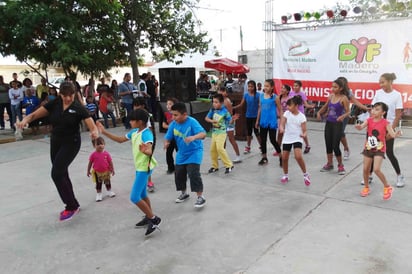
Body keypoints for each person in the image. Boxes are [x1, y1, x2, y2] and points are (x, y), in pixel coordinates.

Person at [16, 81, 99, 221]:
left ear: (74, 94)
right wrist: (25, 120)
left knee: (56, 173)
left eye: (70, 95)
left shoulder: (78, 107)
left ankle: (70, 206)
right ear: (60, 94)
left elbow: (92, 125)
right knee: (62, 173)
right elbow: (34, 115)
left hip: (71, 143)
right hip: (56, 142)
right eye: (65, 95)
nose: (68, 98)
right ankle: (74, 203)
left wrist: (94, 132)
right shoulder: (55, 104)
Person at [97, 109, 161, 236]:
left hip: (144, 168)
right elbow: (120, 139)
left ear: (140, 122)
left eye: (132, 120)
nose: (129, 122)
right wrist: (104, 132)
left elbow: (149, 150)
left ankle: (153, 219)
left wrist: (145, 151)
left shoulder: (147, 134)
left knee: (134, 197)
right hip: (139, 167)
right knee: (142, 194)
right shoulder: (134, 132)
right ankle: (149, 216)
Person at [355, 102, 401, 200]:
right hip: (368, 148)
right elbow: (362, 126)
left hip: (379, 149)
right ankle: (366, 187)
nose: (373, 111)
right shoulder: (369, 120)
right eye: (373, 109)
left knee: (376, 169)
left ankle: (387, 187)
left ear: (383, 112)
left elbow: (392, 135)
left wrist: (396, 134)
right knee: (365, 169)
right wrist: (359, 127)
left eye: (377, 109)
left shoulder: (386, 123)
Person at [164, 102, 207, 208]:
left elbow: (203, 134)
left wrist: (193, 137)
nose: (173, 117)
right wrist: (166, 142)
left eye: (176, 115)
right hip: (182, 153)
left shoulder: (192, 122)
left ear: (184, 114)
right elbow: (168, 136)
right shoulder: (173, 124)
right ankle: (184, 193)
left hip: (195, 152)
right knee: (179, 173)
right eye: (172, 115)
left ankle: (200, 197)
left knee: (193, 172)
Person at [370, 73, 405, 187]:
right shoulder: (378, 94)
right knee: (372, 151)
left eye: (383, 82)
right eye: (380, 82)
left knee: (389, 152)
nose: (381, 85)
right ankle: (369, 175)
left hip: (388, 127)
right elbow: (373, 110)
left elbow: (398, 115)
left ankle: (399, 176)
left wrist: (392, 132)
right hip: (376, 128)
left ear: (390, 81)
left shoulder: (397, 95)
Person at [316, 78, 350, 175]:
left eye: (335, 87)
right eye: (332, 86)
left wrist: (342, 116)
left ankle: (340, 165)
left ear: (341, 88)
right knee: (328, 144)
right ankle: (330, 164)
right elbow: (325, 106)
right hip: (329, 123)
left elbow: (348, 112)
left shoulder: (344, 98)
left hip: (337, 125)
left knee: (336, 146)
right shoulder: (331, 97)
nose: (332, 89)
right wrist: (319, 112)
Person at [279, 96, 310, 186]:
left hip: (297, 138)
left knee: (298, 156)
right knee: (284, 158)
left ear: (296, 106)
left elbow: (304, 130)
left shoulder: (302, 117)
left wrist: (303, 135)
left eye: (290, 106)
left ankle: (305, 174)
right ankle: (285, 175)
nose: (288, 107)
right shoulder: (286, 114)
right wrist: (281, 128)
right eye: (288, 106)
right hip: (287, 138)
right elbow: (282, 124)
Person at [337, 76, 369, 160]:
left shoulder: (348, 93)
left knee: (340, 133)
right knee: (334, 134)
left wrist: (365, 108)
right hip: (334, 116)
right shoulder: (334, 91)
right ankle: (336, 150)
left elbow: (355, 102)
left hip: (344, 116)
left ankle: (346, 149)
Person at [205, 93, 236, 174]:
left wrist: (233, 120)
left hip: (222, 132)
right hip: (214, 132)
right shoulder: (212, 110)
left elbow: (230, 122)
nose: (214, 104)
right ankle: (215, 166)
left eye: (216, 102)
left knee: (220, 148)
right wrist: (212, 121)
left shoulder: (225, 111)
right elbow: (206, 118)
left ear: (221, 103)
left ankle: (229, 165)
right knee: (213, 150)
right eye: (213, 102)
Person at [255, 79, 282, 166]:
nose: (265, 87)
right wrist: (257, 120)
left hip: (272, 122)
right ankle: (264, 157)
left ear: (272, 87)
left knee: (273, 140)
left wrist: (282, 122)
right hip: (263, 121)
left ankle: (281, 157)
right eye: (265, 85)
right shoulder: (261, 96)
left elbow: (280, 110)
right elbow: (260, 108)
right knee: (263, 140)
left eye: (267, 86)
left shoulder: (275, 97)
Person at [133, 98, 157, 192]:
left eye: (137, 105)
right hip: (139, 141)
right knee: (141, 161)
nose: (135, 107)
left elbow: (150, 129)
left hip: (147, 142)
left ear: (143, 106)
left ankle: (149, 182)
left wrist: (149, 143)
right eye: (134, 105)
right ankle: (144, 180)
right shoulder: (136, 116)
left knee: (147, 160)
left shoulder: (147, 116)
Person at [233, 80, 261, 154]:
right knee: (249, 132)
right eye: (249, 86)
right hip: (248, 116)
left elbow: (260, 107)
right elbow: (241, 104)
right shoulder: (246, 95)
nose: (250, 88)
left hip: (255, 117)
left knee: (256, 132)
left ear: (254, 87)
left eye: (251, 86)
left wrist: (259, 118)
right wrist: (233, 107)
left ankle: (262, 146)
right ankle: (248, 147)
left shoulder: (258, 95)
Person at [289, 80, 315, 153]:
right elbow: (289, 103)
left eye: (296, 86)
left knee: (302, 131)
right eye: (294, 86)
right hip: (292, 114)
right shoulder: (291, 93)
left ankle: (307, 145)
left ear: (300, 87)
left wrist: (311, 106)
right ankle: (292, 144)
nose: (295, 87)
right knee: (292, 129)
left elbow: (305, 104)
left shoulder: (302, 94)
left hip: (300, 114)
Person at [87, 137, 116, 202]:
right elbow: (90, 163)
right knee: (98, 184)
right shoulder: (93, 155)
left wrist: (112, 169)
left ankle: (109, 191)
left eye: (102, 144)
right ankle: (99, 194)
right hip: (97, 172)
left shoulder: (106, 154)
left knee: (107, 182)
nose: (100, 145)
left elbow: (110, 162)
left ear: (104, 144)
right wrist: (88, 171)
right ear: (94, 146)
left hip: (106, 171)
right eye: (98, 144)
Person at [218, 86, 241, 163]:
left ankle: (238, 156)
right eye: (220, 91)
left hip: (228, 122)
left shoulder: (227, 101)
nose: (221, 93)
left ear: (226, 93)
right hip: (223, 122)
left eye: (223, 91)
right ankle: (222, 154)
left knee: (231, 139)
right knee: (223, 139)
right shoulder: (220, 101)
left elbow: (230, 113)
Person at [162, 97, 179, 174]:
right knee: (168, 153)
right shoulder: (166, 114)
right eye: (167, 104)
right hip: (170, 137)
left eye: (170, 104)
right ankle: (170, 168)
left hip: (178, 137)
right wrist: (171, 127)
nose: (168, 106)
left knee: (180, 152)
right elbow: (163, 125)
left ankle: (182, 168)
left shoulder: (178, 114)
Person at [276, 84, 291, 153]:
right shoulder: (278, 98)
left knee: (288, 134)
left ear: (287, 91)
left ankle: (288, 148)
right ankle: (278, 149)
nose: (282, 89)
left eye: (284, 88)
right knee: (279, 134)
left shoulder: (290, 98)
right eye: (281, 88)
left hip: (287, 119)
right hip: (279, 118)